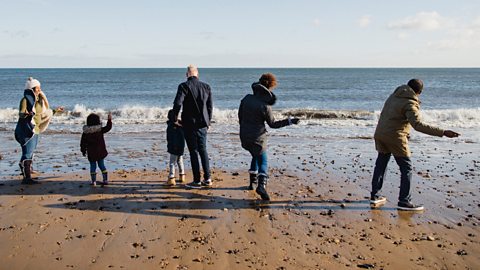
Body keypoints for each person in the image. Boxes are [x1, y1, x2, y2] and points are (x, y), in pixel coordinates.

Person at [370, 79, 460, 211]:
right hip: (395, 137)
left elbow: (391, 116)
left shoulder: (394, 95)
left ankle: (375, 196)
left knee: (381, 164)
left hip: (380, 133)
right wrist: (443, 132)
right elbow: (417, 125)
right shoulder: (410, 103)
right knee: (406, 168)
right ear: (419, 92)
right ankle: (404, 202)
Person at [238, 73, 300, 200]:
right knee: (263, 160)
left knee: (255, 155)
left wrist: (246, 128)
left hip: (244, 136)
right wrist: (289, 121)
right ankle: (261, 186)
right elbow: (273, 124)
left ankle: (252, 183)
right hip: (258, 138)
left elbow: (240, 117)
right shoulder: (265, 106)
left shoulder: (246, 98)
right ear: (270, 87)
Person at [14, 77, 63, 184]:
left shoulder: (39, 101)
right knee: (27, 153)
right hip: (27, 130)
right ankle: (27, 178)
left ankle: (27, 173)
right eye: (37, 88)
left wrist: (55, 111)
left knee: (30, 153)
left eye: (40, 88)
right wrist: (26, 114)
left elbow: (43, 114)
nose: (39, 90)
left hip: (36, 129)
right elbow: (21, 113)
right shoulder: (25, 100)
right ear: (32, 88)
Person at [172, 65, 213, 188]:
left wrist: (175, 118)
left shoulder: (184, 86)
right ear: (197, 74)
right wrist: (208, 121)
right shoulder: (206, 87)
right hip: (203, 123)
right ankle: (208, 178)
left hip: (189, 123)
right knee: (203, 149)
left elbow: (178, 103)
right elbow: (210, 107)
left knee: (193, 151)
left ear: (187, 74)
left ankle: (197, 180)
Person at [80, 112, 112, 186]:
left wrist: (83, 150)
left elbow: (83, 143)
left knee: (93, 166)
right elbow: (108, 127)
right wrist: (109, 120)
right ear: (98, 121)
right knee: (102, 165)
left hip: (91, 153)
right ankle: (105, 180)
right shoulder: (100, 130)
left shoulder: (86, 132)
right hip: (100, 151)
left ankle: (93, 181)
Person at [166, 109, 186, 186]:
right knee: (180, 161)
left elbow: (170, 138)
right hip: (181, 146)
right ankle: (182, 175)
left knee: (172, 163)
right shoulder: (181, 126)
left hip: (174, 146)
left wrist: (171, 146)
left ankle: (171, 178)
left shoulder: (172, 126)